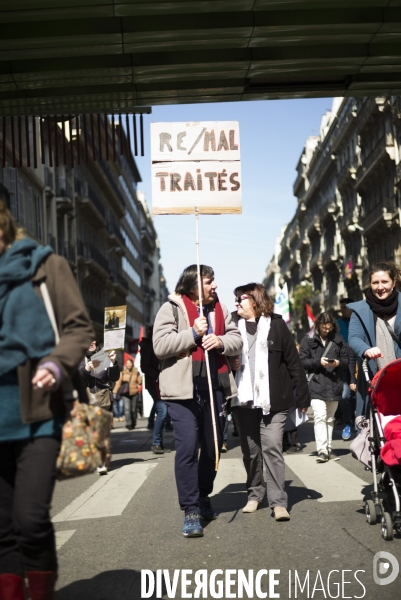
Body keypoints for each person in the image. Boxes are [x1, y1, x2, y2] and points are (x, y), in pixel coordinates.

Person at [0, 201, 94, 600]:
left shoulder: (46, 266)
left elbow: (78, 327)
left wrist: (56, 365)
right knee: (2, 528)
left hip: (38, 410)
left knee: (30, 517)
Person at [153, 264, 242, 538]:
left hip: (214, 388)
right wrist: (192, 334)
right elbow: (160, 346)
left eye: (213, 281)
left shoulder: (221, 309)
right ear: (193, 285)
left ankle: (204, 495)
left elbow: (236, 339)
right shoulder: (171, 308)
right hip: (182, 392)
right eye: (208, 281)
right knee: (188, 448)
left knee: (214, 448)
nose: (214, 286)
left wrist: (221, 342)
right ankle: (190, 509)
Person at [230, 283, 310, 521]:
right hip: (244, 402)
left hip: (274, 401)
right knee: (251, 453)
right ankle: (255, 494)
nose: (236, 303)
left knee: (272, 447)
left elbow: (294, 362)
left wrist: (303, 395)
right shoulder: (232, 327)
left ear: (254, 300)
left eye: (241, 298)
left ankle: (278, 502)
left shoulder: (276, 325)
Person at [348, 262, 401, 418]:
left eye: (384, 282)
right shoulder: (360, 310)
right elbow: (354, 337)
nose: (380, 287)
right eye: (375, 283)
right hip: (375, 380)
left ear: (394, 282)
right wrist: (366, 349)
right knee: (377, 430)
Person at [300, 312, 349, 463]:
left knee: (329, 419)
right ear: (318, 325)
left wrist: (338, 363)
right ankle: (322, 450)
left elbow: (346, 360)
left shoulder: (338, 340)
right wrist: (318, 362)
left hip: (334, 384)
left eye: (329, 328)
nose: (327, 331)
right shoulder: (308, 340)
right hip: (316, 384)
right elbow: (302, 361)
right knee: (320, 417)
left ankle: (328, 448)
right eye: (324, 328)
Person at [80, 341, 120, 472]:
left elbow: (114, 378)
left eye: (93, 340)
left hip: (103, 399)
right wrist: (87, 369)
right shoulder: (80, 358)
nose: (91, 343)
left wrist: (113, 363)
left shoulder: (105, 354)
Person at [140, 327, 170, 454]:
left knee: (162, 411)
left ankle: (159, 444)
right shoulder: (147, 346)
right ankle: (156, 443)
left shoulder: (158, 344)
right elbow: (144, 367)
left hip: (161, 382)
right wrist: (158, 374)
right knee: (162, 410)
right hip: (153, 382)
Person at [113, 358, 142, 431]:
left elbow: (140, 382)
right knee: (127, 409)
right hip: (125, 394)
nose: (129, 364)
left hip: (134, 393)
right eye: (127, 363)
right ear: (126, 364)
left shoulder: (136, 372)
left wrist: (139, 377)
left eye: (130, 363)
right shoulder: (122, 373)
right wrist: (114, 392)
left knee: (133, 410)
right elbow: (118, 383)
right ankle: (128, 424)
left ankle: (134, 423)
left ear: (132, 364)